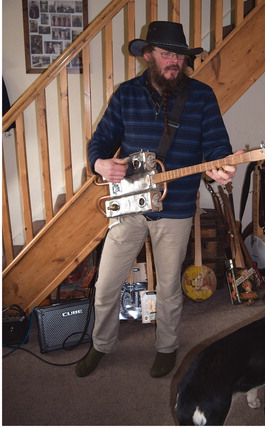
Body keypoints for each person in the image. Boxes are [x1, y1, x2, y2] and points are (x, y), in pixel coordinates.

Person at [75, 21, 239, 379]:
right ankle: (102, 345)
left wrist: (221, 167)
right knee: (105, 285)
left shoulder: (202, 96)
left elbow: (216, 146)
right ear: (148, 55)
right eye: (166, 54)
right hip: (130, 207)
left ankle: (166, 346)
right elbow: (100, 142)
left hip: (176, 208)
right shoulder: (125, 94)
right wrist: (100, 163)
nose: (174, 62)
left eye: (180, 55)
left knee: (168, 288)